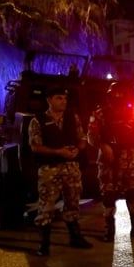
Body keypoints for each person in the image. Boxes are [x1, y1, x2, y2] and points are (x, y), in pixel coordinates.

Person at [28, 86, 93, 256]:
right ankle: (44, 244)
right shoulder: (38, 120)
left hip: (71, 167)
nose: (63, 102)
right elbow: (35, 147)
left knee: (72, 203)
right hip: (50, 169)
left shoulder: (72, 117)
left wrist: (78, 149)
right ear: (49, 100)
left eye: (64, 98)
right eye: (59, 98)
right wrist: (58, 152)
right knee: (46, 206)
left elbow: (82, 138)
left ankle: (75, 237)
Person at [88, 82, 134, 241]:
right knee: (109, 194)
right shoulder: (100, 114)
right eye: (116, 95)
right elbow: (91, 138)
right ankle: (109, 229)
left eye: (122, 95)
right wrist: (103, 145)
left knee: (133, 192)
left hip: (133, 158)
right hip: (111, 160)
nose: (119, 98)